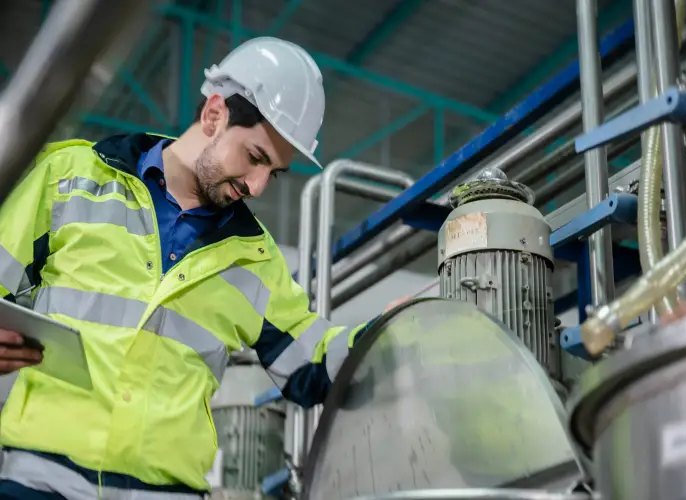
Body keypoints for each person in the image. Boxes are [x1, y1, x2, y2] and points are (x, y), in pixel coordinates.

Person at [0, 37, 395, 500]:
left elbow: (312, 364)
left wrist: (389, 336)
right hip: (39, 481)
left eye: (274, 172)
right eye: (254, 158)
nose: (258, 186)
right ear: (213, 116)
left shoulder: (256, 259)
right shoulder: (69, 179)